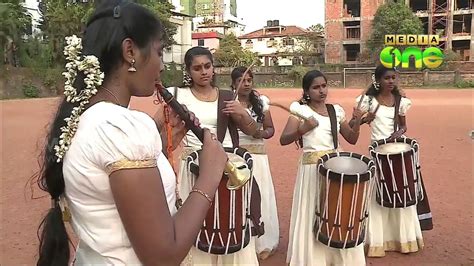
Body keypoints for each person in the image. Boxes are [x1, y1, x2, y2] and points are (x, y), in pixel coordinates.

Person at [35, 2, 228, 265]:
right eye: (159, 52)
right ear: (130, 51)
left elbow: (110, 189)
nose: (161, 66)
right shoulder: (122, 127)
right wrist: (209, 175)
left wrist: (159, 146)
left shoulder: (81, 118)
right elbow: (163, 255)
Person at [167, 47, 262, 265]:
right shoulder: (177, 95)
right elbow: (161, 129)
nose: (204, 72)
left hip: (227, 166)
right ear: (188, 71)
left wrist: (241, 113)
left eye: (207, 66)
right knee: (195, 223)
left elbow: (253, 131)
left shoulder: (228, 97)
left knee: (231, 221)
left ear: (213, 67)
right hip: (193, 165)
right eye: (197, 68)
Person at [280, 70, 365, 266]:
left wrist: (358, 120)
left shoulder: (335, 111)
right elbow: (284, 139)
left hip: (335, 169)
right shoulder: (300, 112)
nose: (321, 91)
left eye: (324, 86)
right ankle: (312, 258)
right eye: (316, 87)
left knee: (335, 212)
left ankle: (335, 256)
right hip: (311, 170)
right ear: (307, 91)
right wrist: (302, 129)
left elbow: (351, 138)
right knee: (313, 211)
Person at [350, 65, 431, 257]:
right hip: (377, 155)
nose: (391, 81)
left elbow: (404, 126)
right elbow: (351, 125)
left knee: (400, 193)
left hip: (396, 152)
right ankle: (377, 241)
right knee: (378, 195)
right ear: (378, 80)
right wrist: (363, 119)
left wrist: (398, 134)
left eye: (394, 78)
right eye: (387, 78)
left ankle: (404, 239)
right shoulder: (367, 101)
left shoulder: (400, 101)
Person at [231, 67, 279, 260]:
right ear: (234, 83)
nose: (247, 83)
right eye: (242, 80)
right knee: (240, 199)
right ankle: (241, 241)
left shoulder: (261, 103)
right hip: (238, 157)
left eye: (250, 80)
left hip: (259, 157)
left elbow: (271, 129)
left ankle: (263, 242)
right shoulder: (229, 103)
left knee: (261, 196)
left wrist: (261, 133)